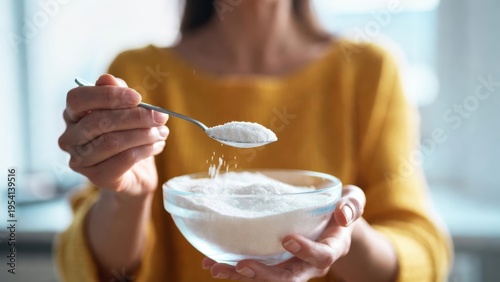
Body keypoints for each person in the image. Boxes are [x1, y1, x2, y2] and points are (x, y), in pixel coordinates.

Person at [56, 0, 452, 281]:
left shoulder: (368, 72)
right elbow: (99, 271)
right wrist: (128, 196)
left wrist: (340, 233)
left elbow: (422, 252)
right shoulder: (140, 74)